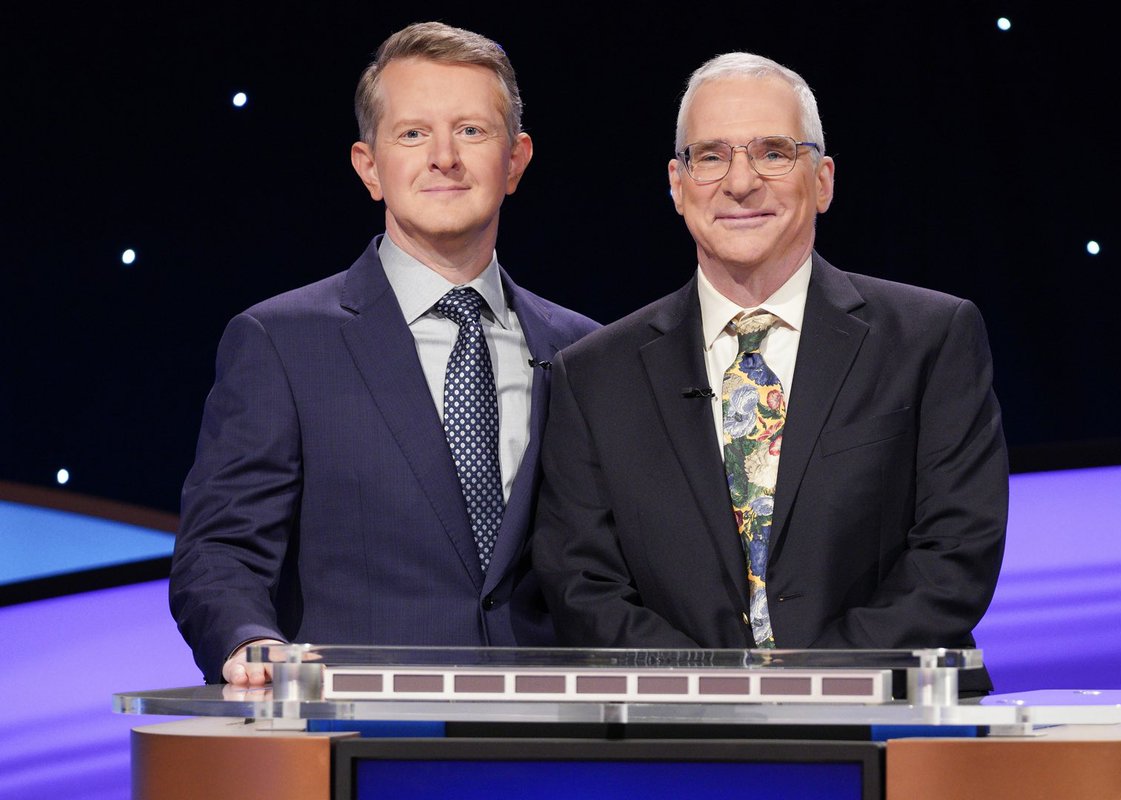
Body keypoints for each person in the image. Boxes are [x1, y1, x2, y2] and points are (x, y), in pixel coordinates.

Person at [532, 52, 1006, 693]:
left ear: (823, 180)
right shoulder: (592, 375)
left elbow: (955, 553)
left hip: (895, 728)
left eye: (773, 152)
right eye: (711, 156)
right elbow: (582, 585)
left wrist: (815, 686)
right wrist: (718, 694)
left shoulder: (929, 338)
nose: (740, 182)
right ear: (677, 184)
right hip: (682, 739)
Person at [171, 22, 598, 685]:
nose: (444, 157)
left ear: (515, 161)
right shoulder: (281, 342)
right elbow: (222, 549)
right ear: (370, 168)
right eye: (412, 133)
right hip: (364, 742)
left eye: (472, 131)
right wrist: (248, 641)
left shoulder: (584, 350)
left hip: (546, 741)